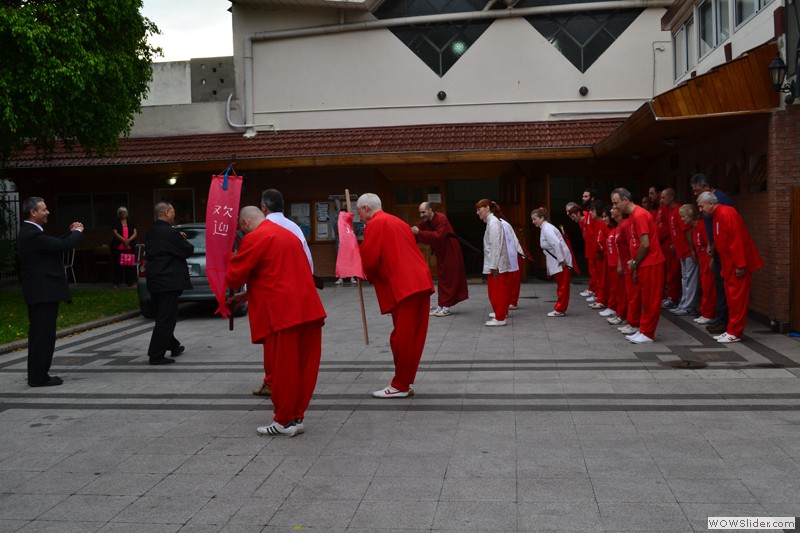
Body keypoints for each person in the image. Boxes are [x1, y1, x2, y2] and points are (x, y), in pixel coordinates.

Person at [226, 206, 326, 436]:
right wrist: (246, 295)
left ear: (245, 223)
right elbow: (277, 271)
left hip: (283, 314)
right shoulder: (289, 234)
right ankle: (297, 417)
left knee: (283, 370)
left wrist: (230, 259)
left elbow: (234, 276)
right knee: (305, 367)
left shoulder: (256, 237)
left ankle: (283, 420)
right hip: (309, 309)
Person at [357, 193, 434, 397]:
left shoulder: (375, 224)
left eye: (359, 213)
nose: (360, 219)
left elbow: (370, 259)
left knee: (402, 338)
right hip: (419, 281)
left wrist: (359, 268)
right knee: (412, 337)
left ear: (365, 208)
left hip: (405, 286)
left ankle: (400, 384)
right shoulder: (397, 222)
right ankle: (404, 381)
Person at [250, 188, 316, 397]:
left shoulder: (261, 229)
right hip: (297, 294)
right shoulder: (294, 228)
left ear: (264, 207)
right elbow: (308, 261)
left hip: (271, 296)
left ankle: (276, 383)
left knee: (275, 346)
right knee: (289, 347)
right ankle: (280, 383)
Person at [17, 197, 84, 387]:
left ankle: (38, 374)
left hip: (42, 292)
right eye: (44, 209)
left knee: (42, 335)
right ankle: (38, 377)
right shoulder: (31, 233)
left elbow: (53, 243)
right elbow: (62, 246)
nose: (47, 212)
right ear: (33, 212)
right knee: (42, 336)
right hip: (42, 293)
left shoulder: (32, 232)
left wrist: (70, 233)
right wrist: (78, 233)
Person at [696, 192, 763, 343]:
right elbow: (722, 240)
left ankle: (735, 332)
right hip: (728, 265)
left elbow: (737, 240)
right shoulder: (717, 215)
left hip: (736, 265)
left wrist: (740, 265)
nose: (700, 210)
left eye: (701, 206)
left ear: (710, 204)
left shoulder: (727, 214)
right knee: (732, 300)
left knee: (737, 300)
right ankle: (731, 330)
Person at [611, 188, 665, 344]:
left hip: (651, 262)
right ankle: (643, 329)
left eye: (616, 203)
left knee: (651, 300)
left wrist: (634, 262)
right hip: (646, 263)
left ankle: (647, 333)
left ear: (625, 200)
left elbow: (645, 244)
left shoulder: (640, 215)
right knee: (646, 299)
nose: (615, 207)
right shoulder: (635, 215)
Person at [144, 202, 194, 365]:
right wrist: (180, 238)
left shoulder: (151, 231)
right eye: (172, 212)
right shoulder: (170, 233)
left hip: (155, 279)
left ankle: (174, 345)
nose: (174, 214)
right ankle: (156, 355)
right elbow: (188, 250)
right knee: (166, 318)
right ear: (166, 212)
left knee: (163, 315)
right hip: (169, 281)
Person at [690, 174, 733, 335]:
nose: (700, 210)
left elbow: (724, 231)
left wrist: (714, 245)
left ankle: (724, 321)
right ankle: (720, 319)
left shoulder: (722, 203)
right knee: (718, 284)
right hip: (714, 248)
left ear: (706, 187)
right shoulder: (711, 207)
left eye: (697, 190)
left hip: (721, 250)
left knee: (722, 285)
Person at [412, 202, 468, 316]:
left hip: (450, 250)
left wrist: (419, 232)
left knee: (449, 277)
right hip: (441, 252)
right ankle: (441, 305)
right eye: (420, 213)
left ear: (430, 210)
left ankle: (446, 307)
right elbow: (417, 228)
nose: (422, 215)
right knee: (442, 278)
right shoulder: (425, 221)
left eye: (423, 212)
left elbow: (438, 236)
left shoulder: (441, 218)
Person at [531, 207, 572, 316]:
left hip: (560, 261)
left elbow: (556, 244)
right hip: (558, 260)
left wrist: (561, 259)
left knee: (562, 286)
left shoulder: (547, 229)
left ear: (542, 218)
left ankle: (560, 309)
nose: (533, 222)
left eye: (535, 219)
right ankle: (560, 308)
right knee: (561, 285)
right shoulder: (545, 228)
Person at [477, 199, 512, 326]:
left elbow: (495, 245)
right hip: (494, 263)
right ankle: (499, 312)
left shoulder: (493, 223)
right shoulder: (491, 222)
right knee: (495, 292)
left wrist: (493, 266)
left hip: (496, 264)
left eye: (479, 209)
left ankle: (500, 317)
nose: (477, 212)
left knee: (498, 292)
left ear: (487, 208)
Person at [682, 203, 715, 324]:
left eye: (684, 216)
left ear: (691, 216)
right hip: (702, 260)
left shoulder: (701, 226)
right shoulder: (695, 228)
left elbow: (709, 243)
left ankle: (709, 314)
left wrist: (712, 259)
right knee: (705, 286)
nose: (682, 219)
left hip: (707, 260)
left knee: (708, 287)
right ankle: (706, 312)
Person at [567, 203, 598, 301]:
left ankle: (598, 294)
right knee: (593, 271)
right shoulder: (582, 221)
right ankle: (595, 291)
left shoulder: (589, 218)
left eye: (571, 214)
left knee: (597, 274)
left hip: (595, 251)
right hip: (589, 249)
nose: (571, 217)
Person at [660, 188, 683, 310]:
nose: (661, 200)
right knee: (671, 273)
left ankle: (675, 298)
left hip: (680, 251)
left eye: (663, 197)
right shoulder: (670, 211)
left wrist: (675, 244)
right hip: (673, 249)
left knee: (675, 274)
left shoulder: (679, 210)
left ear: (671, 197)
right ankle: (672, 297)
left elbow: (684, 231)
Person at [111, 206, 137, 288]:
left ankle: (130, 282)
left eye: (124, 212)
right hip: (118, 246)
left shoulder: (130, 222)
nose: (123, 213)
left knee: (129, 265)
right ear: (119, 214)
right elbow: (115, 233)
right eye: (121, 212)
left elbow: (135, 233)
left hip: (129, 246)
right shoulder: (116, 222)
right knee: (118, 265)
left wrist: (128, 240)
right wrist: (124, 240)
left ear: (127, 213)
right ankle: (116, 283)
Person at [333, 207, 357, 285]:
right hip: (340, 243)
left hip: (349, 244)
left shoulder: (350, 223)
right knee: (341, 261)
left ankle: (352, 277)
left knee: (351, 259)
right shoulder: (337, 223)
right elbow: (336, 232)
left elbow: (354, 232)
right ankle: (341, 277)